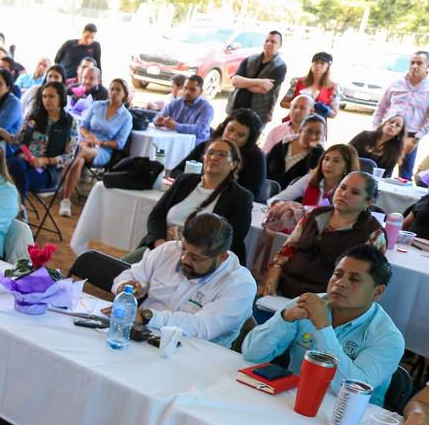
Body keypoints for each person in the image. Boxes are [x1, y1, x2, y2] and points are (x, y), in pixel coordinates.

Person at [243, 244, 403, 407]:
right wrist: (286, 318)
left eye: (354, 279)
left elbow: (351, 390)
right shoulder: (307, 304)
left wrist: (323, 329)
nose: (340, 283)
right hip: (293, 400)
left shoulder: (388, 338)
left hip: (349, 417)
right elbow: (251, 354)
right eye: (337, 274)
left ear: (377, 292)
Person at [111, 213, 256, 347]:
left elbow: (201, 327)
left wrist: (148, 316)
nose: (184, 259)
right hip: (140, 337)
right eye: (183, 249)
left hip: (194, 355)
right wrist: (124, 286)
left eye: (195, 257)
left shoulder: (240, 285)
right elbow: (131, 275)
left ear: (222, 257)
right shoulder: (169, 250)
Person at [261, 171, 385, 298]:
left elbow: (362, 282)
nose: (344, 194)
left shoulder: (373, 234)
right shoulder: (313, 215)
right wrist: (271, 281)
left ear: (369, 201)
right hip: (283, 289)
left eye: (355, 192)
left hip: (326, 300)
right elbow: (284, 253)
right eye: (342, 187)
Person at [136, 137, 253, 264]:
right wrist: (160, 243)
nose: (214, 157)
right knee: (124, 272)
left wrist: (185, 248)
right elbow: (156, 215)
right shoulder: (184, 181)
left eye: (222, 155)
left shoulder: (241, 197)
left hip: (200, 260)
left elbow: (231, 238)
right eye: (210, 152)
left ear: (234, 164)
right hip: (161, 247)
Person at [58, 77, 133, 216]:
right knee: (79, 159)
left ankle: (58, 179)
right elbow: (83, 127)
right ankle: (66, 201)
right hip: (86, 142)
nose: (114, 92)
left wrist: (99, 142)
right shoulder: (97, 105)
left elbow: (119, 143)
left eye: (118, 90)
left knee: (78, 150)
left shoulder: (126, 117)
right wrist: (89, 137)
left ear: (124, 94)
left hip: (104, 150)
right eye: (111, 89)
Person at [9, 81, 73, 199]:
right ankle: (20, 206)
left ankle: (19, 205)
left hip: (47, 170)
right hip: (24, 160)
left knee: (15, 177)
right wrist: (0, 132)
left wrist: (45, 161)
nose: (47, 100)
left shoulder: (70, 122)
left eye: (51, 96)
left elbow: (69, 157)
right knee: (14, 163)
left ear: (61, 98)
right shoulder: (33, 115)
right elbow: (18, 140)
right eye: (44, 96)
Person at [371, 50, 429, 160]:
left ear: (427, 65)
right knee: (377, 167)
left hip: (410, 137)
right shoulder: (397, 83)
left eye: (419, 63)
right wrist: (377, 128)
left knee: (405, 174)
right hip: (386, 132)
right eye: (412, 63)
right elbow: (381, 107)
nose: (415, 66)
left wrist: (416, 139)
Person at [269, 143, 359, 208]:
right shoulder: (310, 179)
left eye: (336, 161)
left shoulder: (348, 191)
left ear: (347, 167)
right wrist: (280, 206)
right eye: (326, 159)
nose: (328, 164)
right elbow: (277, 198)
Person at [226, 30, 287, 124]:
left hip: (258, 114)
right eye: (267, 40)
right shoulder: (250, 59)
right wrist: (260, 81)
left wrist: (243, 83)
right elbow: (235, 81)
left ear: (280, 45)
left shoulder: (280, 66)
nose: (269, 43)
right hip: (235, 108)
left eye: (273, 42)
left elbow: (263, 88)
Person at [266, 113, 326, 189]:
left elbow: (311, 178)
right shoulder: (283, 144)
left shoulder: (322, 156)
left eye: (318, 133)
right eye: (309, 131)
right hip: (266, 192)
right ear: (300, 130)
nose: (313, 136)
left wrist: (316, 152)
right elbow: (265, 164)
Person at [155, 74, 215, 143]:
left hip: (195, 145)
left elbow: (200, 129)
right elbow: (157, 117)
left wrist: (176, 126)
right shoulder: (175, 103)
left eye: (192, 89)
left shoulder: (206, 108)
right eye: (185, 88)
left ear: (200, 92)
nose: (187, 92)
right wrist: (159, 121)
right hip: (173, 140)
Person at [279, 52, 337, 118]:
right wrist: (300, 106)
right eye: (316, 62)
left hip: (316, 125)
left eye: (322, 63)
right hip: (294, 120)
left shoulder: (333, 88)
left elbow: (334, 114)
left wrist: (322, 110)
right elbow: (283, 103)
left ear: (328, 67)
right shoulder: (298, 81)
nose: (318, 65)